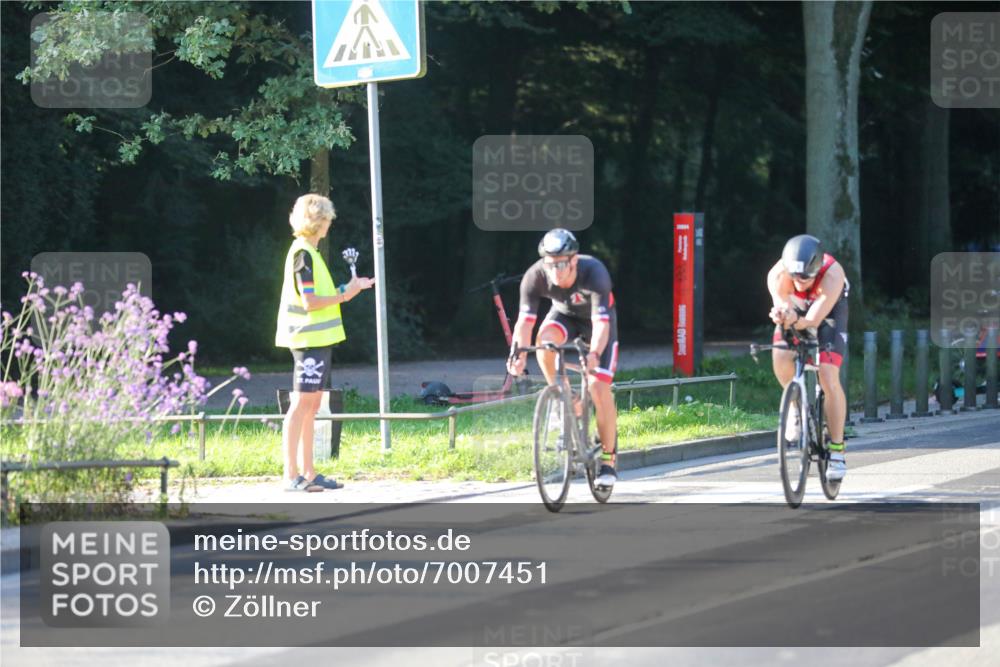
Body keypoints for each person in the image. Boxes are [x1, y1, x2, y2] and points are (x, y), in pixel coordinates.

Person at [275, 194, 374, 492]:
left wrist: (350, 288)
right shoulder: (302, 254)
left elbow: (322, 294)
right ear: (318, 222)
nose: (330, 224)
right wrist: (345, 295)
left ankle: (309, 472)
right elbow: (311, 302)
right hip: (307, 341)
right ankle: (291, 475)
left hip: (318, 341)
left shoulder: (311, 254)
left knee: (312, 403)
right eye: (328, 219)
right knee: (301, 404)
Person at [507, 228, 620, 488]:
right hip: (564, 316)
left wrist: (594, 354)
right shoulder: (534, 276)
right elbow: (524, 324)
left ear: (574, 260)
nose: (555, 271)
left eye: (561, 265)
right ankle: (565, 397)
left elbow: (601, 325)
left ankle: (608, 459)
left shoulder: (594, 272)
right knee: (543, 340)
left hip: (598, 324)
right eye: (550, 265)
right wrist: (517, 355)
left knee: (598, 386)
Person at [767, 234, 850, 481]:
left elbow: (813, 320)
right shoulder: (777, 275)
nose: (800, 282)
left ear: (816, 270)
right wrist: (783, 315)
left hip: (828, 312)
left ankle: (837, 450)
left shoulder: (833, 275)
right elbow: (784, 307)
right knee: (781, 355)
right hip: (797, 309)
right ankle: (794, 407)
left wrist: (798, 320)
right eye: (795, 277)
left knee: (827, 374)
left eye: (806, 277)